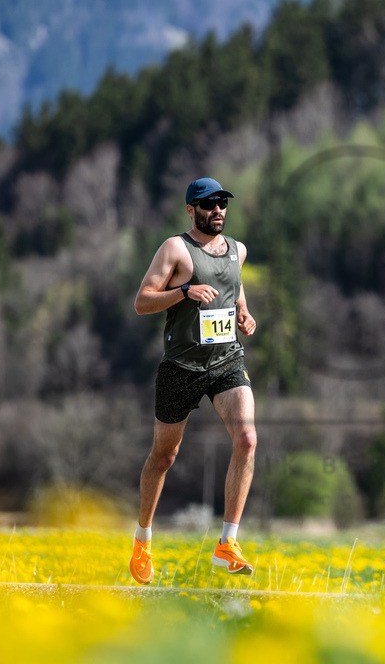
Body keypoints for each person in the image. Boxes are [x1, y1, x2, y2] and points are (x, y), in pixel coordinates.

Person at [128, 177, 258, 584]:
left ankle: (227, 543)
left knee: (247, 439)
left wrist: (244, 314)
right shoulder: (174, 249)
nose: (218, 210)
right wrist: (184, 291)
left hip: (226, 361)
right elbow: (142, 302)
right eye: (208, 204)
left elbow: (234, 288)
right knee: (164, 457)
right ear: (191, 210)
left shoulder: (237, 250)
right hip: (181, 367)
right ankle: (143, 542)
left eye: (222, 203)